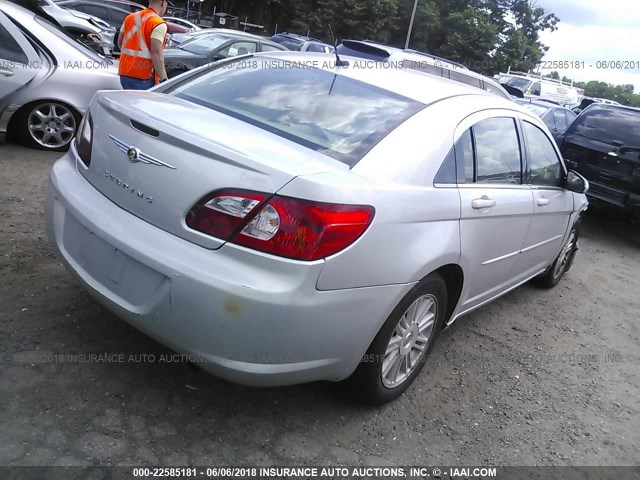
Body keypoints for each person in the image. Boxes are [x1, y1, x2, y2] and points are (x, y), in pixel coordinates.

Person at [118, 0, 169, 90]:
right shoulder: (158, 23)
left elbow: (120, 42)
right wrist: (164, 80)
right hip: (143, 77)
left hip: (124, 74)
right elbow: (156, 54)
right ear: (163, 2)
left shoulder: (130, 17)